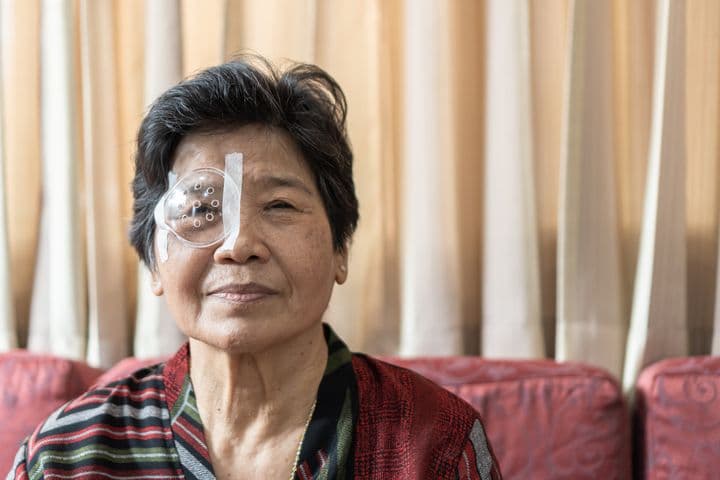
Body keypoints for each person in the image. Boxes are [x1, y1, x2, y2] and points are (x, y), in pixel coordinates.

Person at [7, 56, 501, 479]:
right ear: (154, 260)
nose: (238, 245)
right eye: (201, 210)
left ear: (341, 248)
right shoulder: (66, 457)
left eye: (280, 206)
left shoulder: (433, 443)